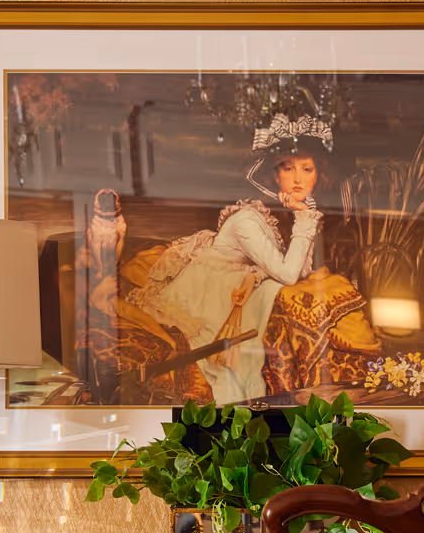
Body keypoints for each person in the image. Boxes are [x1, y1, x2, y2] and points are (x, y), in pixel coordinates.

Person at [126, 112, 332, 404]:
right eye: (288, 168)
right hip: (205, 293)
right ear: (276, 176)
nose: (298, 178)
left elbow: (300, 271)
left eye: (307, 169)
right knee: (232, 371)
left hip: (232, 285)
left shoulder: (291, 216)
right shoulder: (247, 220)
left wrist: (301, 221)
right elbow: (288, 275)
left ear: (317, 175)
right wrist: (303, 219)